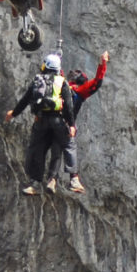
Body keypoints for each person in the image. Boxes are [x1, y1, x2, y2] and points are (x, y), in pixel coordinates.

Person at [5, 53, 77, 196]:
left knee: (37, 150)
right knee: (63, 147)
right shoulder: (62, 82)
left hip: (41, 121)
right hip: (58, 121)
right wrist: (72, 125)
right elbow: (68, 106)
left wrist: (13, 113)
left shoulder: (37, 81)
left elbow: (25, 101)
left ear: (45, 66)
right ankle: (61, 179)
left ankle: (35, 183)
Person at [59, 50, 109, 193]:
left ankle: (51, 179)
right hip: (67, 126)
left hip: (52, 121)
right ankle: (73, 178)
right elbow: (97, 82)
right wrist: (102, 63)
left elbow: (96, 82)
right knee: (69, 148)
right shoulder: (78, 90)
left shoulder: (66, 87)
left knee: (55, 152)